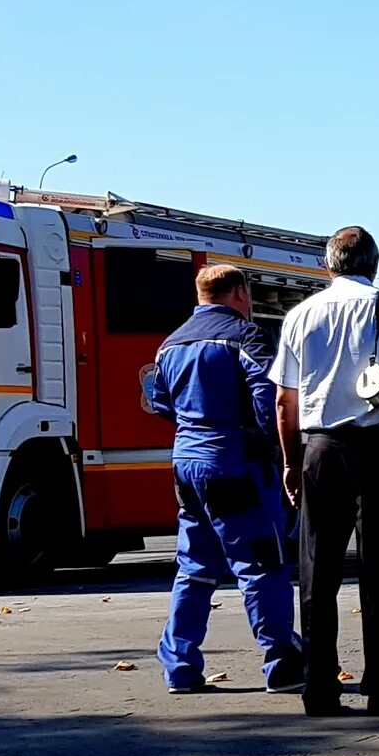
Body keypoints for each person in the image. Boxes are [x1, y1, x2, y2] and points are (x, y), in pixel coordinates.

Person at [271, 226, 379, 718]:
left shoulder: (300, 315)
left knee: (316, 575)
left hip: (320, 448)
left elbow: (286, 399)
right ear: (375, 264)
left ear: (328, 266)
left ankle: (319, 691)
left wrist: (290, 461)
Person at [142, 264, 303, 694]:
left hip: (186, 463)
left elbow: (157, 401)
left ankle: (179, 668)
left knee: (193, 569)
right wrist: (279, 447)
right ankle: (282, 662)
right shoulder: (245, 336)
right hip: (234, 462)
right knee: (261, 564)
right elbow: (268, 400)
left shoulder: (170, 345)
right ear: (237, 293)